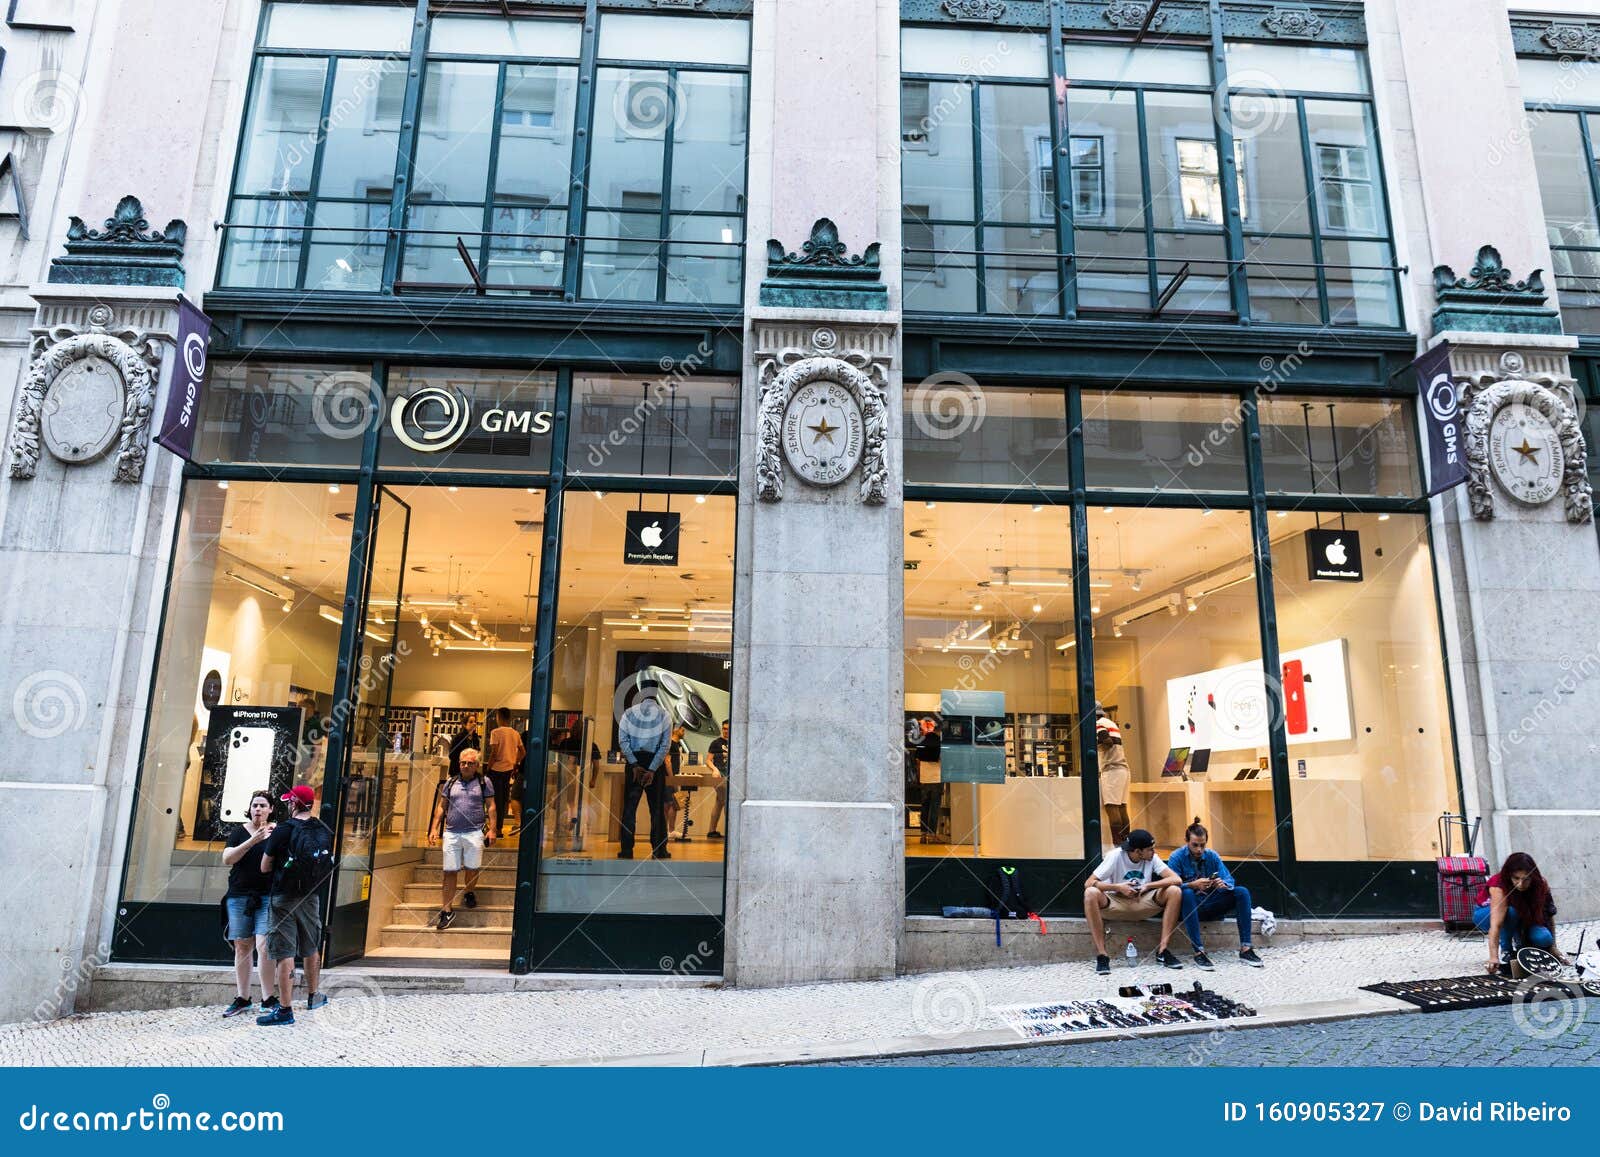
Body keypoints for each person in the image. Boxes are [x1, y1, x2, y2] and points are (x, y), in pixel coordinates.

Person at [256, 784, 334, 1026]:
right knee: (311, 945)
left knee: (284, 952)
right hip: (311, 897)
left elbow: (264, 867)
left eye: (290, 801)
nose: (288, 804)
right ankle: (314, 996)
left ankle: (285, 1010)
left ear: (295, 804)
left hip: (283, 898)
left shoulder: (283, 830)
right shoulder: (323, 828)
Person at [1084, 828, 1186, 975]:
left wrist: (1147, 886)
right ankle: (1102, 955)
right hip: (1116, 903)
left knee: (1174, 891)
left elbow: (1176, 879)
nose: (1154, 852)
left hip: (1142, 902)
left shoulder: (1151, 858)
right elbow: (1089, 883)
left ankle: (1163, 951)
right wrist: (1118, 887)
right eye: (1150, 849)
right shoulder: (1115, 856)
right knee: (1090, 893)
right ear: (1138, 851)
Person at [1168, 818, 1264, 969]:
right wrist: (1192, 885)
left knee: (1242, 892)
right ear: (1186, 841)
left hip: (1211, 904)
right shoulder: (1176, 857)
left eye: (1202, 845)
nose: (1199, 849)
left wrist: (1223, 885)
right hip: (1188, 909)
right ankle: (1199, 952)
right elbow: (1170, 887)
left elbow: (1229, 880)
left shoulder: (1212, 856)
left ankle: (1246, 948)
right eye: (1195, 845)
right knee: (1186, 892)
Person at [220, 791, 278, 1017]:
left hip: (266, 895)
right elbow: (227, 859)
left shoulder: (277, 832)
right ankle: (243, 998)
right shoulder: (239, 832)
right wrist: (253, 840)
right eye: (255, 805)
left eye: (263, 805)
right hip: (239, 895)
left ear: (271, 809)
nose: (258, 809)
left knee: (264, 946)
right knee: (242, 946)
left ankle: (267, 998)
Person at [428, 748, 497, 930]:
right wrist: (434, 828)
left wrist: (493, 830)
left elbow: (491, 806)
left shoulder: (484, 782)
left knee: (472, 868)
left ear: (476, 765)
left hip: (474, 832)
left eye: (470, 763)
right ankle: (447, 911)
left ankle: (469, 891)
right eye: (463, 763)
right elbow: (442, 807)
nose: (465, 766)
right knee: (449, 872)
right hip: (452, 833)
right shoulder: (451, 783)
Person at [1476, 851, 1567, 973]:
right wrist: (1493, 957)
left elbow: (1549, 915)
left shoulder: (1541, 884)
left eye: (1526, 879)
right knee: (1511, 912)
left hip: (1524, 916)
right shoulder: (1499, 886)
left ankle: (1521, 946)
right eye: (1516, 878)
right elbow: (1496, 925)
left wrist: (1553, 947)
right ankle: (1507, 951)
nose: (1521, 884)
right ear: (1509, 876)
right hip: (1487, 914)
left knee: (1544, 938)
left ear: (1532, 876)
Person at [617, 697, 671, 860]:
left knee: (629, 809)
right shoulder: (664, 715)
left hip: (634, 763)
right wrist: (653, 769)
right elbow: (665, 745)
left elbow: (623, 741)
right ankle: (659, 850)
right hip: (655, 763)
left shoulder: (628, 713)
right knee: (656, 810)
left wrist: (634, 764)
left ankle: (626, 850)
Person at [485, 707, 524, 839]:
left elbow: (494, 753)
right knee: (503, 801)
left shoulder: (495, 732)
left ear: (499, 717)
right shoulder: (515, 733)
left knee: (492, 800)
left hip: (496, 770)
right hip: (508, 770)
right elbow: (523, 751)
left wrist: (488, 768)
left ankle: (494, 828)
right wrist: (515, 763)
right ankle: (499, 828)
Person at [1095, 706, 1130, 847]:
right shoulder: (1111, 723)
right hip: (1123, 769)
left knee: (1111, 807)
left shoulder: (1098, 724)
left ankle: (1117, 845)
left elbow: (1107, 742)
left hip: (1112, 770)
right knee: (1122, 808)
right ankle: (1127, 844)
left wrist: (1094, 746)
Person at [912, 716, 944, 843]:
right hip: (936, 777)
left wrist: (920, 777)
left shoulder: (921, 741)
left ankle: (923, 835)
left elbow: (918, 761)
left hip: (925, 779)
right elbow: (942, 759)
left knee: (924, 806)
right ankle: (932, 835)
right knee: (934, 807)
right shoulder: (939, 741)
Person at [706, 720, 730, 839]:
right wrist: (714, 769)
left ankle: (711, 831)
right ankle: (730, 831)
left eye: (728, 729)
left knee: (719, 802)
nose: (726, 731)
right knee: (726, 802)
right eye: (724, 728)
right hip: (719, 776)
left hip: (732, 777)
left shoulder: (737, 742)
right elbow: (708, 760)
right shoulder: (716, 743)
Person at [663, 725, 686, 837]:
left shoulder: (677, 745)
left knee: (674, 803)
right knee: (669, 803)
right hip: (669, 778)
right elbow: (668, 762)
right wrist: (672, 779)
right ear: (675, 730)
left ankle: (670, 830)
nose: (684, 732)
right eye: (682, 730)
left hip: (674, 777)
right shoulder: (670, 744)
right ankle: (667, 830)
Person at [448, 713, 482, 779]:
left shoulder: (476, 738)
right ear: (464, 724)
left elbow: (477, 752)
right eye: (471, 722)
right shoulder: (458, 737)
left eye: (475, 722)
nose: (474, 724)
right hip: (457, 770)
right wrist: (464, 761)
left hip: (471, 771)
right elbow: (451, 755)